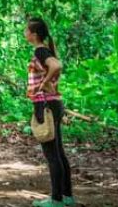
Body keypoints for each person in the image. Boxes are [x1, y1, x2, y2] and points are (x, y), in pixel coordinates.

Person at [26, 16, 76, 207]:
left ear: (34, 34)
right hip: (54, 103)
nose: (25, 33)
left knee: (52, 154)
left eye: (27, 30)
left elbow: (56, 65)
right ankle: (67, 196)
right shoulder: (44, 50)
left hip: (45, 105)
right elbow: (54, 65)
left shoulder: (40, 50)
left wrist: (44, 83)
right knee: (59, 152)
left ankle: (56, 199)